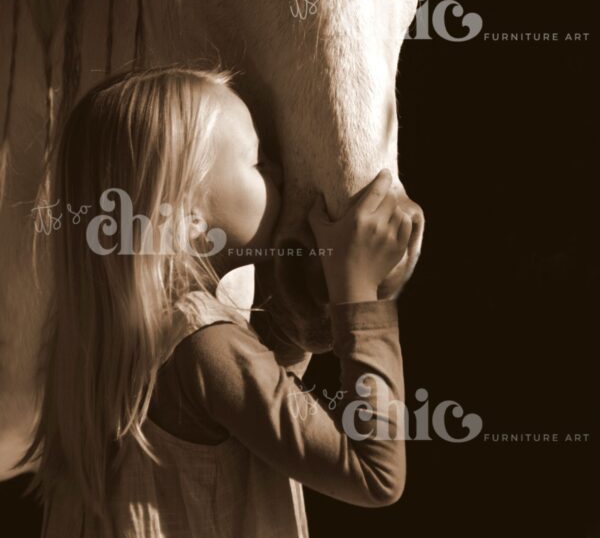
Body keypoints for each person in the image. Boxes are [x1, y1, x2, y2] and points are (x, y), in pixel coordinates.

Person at [24, 66, 422, 537]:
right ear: (191, 220)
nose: (278, 171)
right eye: (257, 162)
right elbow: (376, 475)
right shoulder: (205, 346)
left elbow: (267, 411)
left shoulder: (108, 344)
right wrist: (359, 293)